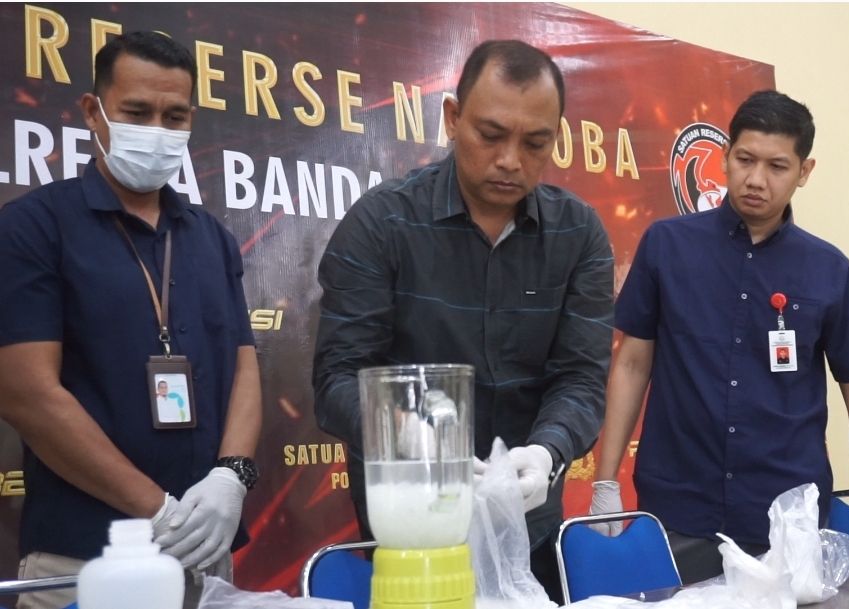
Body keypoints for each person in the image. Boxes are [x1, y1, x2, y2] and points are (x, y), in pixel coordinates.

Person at [312, 40, 613, 602]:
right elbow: (337, 379)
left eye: (535, 143)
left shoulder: (579, 234)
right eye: (491, 135)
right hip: (412, 526)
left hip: (529, 521)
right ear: (452, 118)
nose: (510, 160)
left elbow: (581, 377)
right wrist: (413, 437)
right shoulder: (382, 223)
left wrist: (546, 453)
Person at [587, 90, 849, 584]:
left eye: (777, 166)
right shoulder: (667, 245)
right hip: (679, 505)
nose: (756, 179)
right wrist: (605, 481)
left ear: (804, 171)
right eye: (745, 159)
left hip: (788, 514)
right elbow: (633, 364)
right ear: (725, 156)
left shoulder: (827, 268)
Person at [0, 32, 262, 609]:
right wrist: (158, 511)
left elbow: (243, 363)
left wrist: (232, 476)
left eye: (175, 117)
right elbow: (26, 395)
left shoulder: (212, 237)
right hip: (83, 562)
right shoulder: (32, 227)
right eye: (137, 113)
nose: (157, 131)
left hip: (206, 558)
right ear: (94, 112)